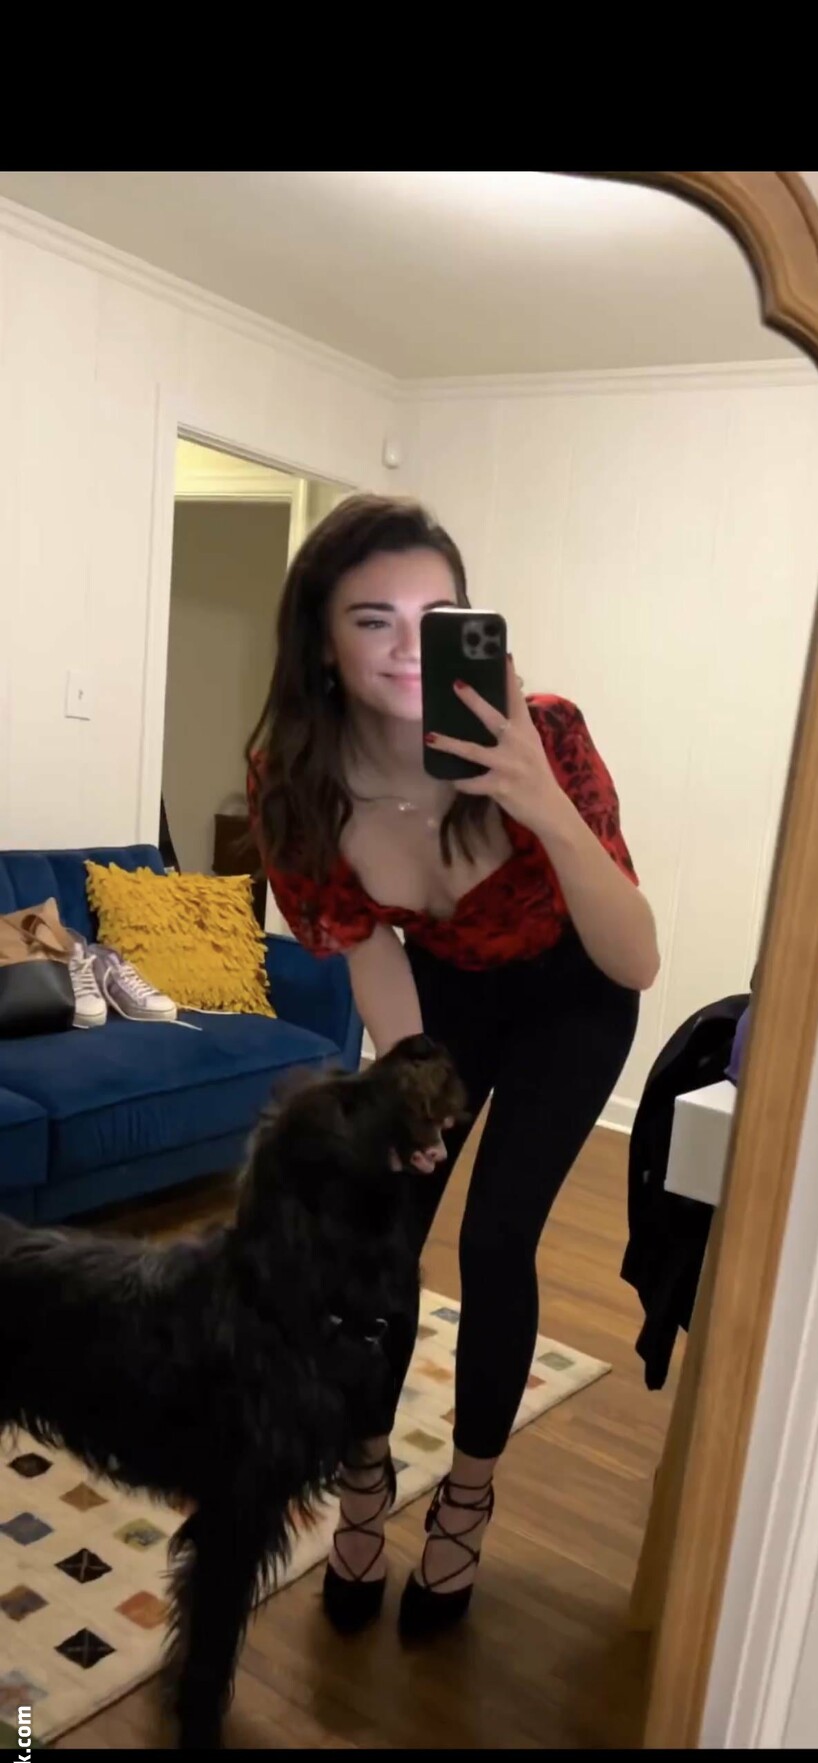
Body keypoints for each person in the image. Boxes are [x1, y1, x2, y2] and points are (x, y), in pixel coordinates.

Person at [246, 494, 659, 1639]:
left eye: (432, 617)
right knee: (378, 1234)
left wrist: (538, 800)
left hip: (575, 991)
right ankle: (363, 1483)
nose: (406, 648)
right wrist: (408, 1088)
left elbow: (635, 957)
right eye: (370, 618)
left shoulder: (546, 735)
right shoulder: (295, 778)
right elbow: (367, 944)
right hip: (442, 998)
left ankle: (464, 1502)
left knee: (494, 1240)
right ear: (320, 642)